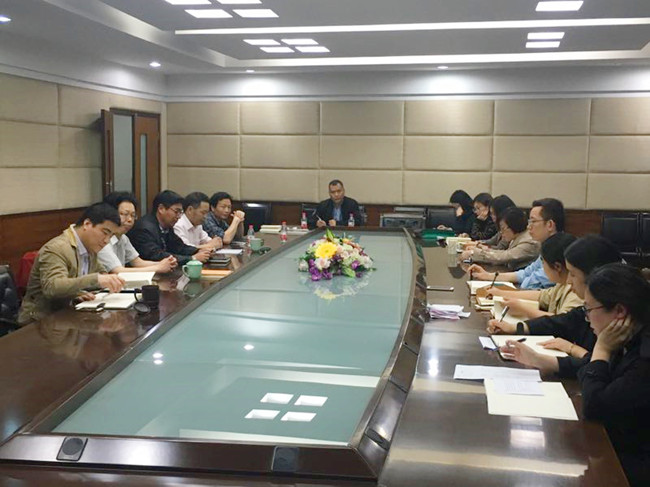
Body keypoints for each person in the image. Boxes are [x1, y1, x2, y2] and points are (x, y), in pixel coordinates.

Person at [488, 235, 622, 378]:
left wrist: (576, 350)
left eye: (573, 274)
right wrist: (516, 328)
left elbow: (599, 372)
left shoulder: (614, 322)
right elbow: (561, 322)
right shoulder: (591, 308)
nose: (568, 281)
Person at [576, 264, 650, 487]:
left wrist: (602, 349)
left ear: (619, 311)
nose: (587, 318)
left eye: (589, 309)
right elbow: (587, 371)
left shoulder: (645, 356)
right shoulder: (629, 333)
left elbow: (595, 406)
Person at [18, 203, 126, 326]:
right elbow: (52, 287)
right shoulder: (57, 248)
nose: (107, 240)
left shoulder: (89, 246)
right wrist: (96, 279)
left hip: (67, 318)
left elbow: (100, 272)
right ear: (87, 224)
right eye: (105, 232)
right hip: (39, 322)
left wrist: (77, 293)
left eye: (111, 236)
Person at [467, 198, 564, 289]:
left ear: (550, 225)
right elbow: (524, 274)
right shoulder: (547, 247)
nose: (529, 227)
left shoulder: (559, 250)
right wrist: (487, 275)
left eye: (533, 221)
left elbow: (531, 283)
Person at [487, 233, 583, 320]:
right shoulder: (562, 283)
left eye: (543, 263)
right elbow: (542, 296)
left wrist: (523, 309)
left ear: (557, 267)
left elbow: (562, 322)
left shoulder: (577, 291)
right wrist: (500, 293)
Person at [98, 192, 176, 274]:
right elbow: (118, 271)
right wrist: (158, 267)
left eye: (133, 215)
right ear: (110, 214)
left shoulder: (123, 237)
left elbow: (137, 262)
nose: (130, 220)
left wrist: (165, 263)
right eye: (125, 214)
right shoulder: (102, 240)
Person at [128, 190, 211, 265]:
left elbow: (179, 247)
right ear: (161, 209)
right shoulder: (144, 229)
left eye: (180, 212)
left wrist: (198, 251)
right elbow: (157, 255)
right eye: (176, 211)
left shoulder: (167, 225)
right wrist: (192, 258)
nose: (179, 216)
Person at [464, 207, 539, 270]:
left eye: (503, 228)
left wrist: (475, 253)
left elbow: (503, 257)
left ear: (514, 225)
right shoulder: (517, 237)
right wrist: (481, 251)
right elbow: (502, 253)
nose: (501, 232)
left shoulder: (529, 242)